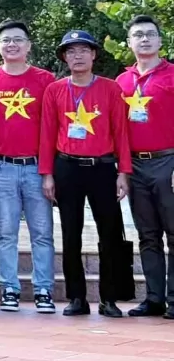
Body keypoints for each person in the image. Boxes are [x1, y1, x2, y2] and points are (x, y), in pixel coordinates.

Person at [40, 30, 130, 318]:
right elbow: (46, 135)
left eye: (83, 50)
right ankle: (76, 297)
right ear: (64, 57)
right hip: (67, 167)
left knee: (110, 233)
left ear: (93, 55)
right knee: (70, 234)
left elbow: (121, 132)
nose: (77, 56)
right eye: (71, 51)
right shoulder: (54, 90)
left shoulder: (110, 88)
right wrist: (47, 174)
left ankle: (109, 298)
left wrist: (123, 172)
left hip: (103, 168)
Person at [0, 19, 57, 313]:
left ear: (28, 45)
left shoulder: (45, 80)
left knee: (42, 232)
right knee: (5, 231)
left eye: (18, 40)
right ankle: (9, 287)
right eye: (6, 40)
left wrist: (49, 171)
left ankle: (44, 289)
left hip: (37, 168)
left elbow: (51, 128)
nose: (12, 45)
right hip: (2, 167)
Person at [117, 15, 174, 319]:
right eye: (138, 35)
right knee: (147, 235)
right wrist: (122, 170)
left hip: (168, 161)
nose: (145, 39)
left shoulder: (172, 75)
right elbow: (118, 131)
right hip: (136, 164)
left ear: (160, 41)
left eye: (151, 34)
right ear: (130, 43)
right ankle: (154, 298)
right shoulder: (122, 82)